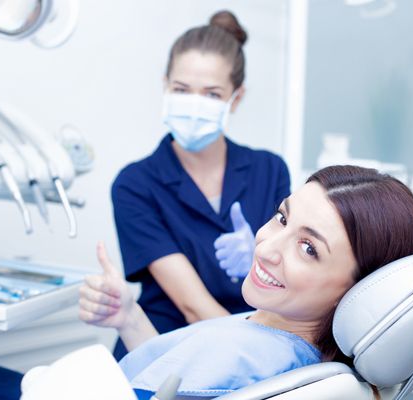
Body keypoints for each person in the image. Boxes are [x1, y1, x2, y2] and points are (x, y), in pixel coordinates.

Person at [79, 165, 413, 399]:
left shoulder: (245, 355)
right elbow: (178, 380)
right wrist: (129, 318)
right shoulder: (275, 338)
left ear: (359, 291)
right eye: (283, 218)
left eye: (308, 248)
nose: (266, 247)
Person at [110, 10, 290, 359]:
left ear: (235, 99)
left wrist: (258, 257)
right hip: (164, 348)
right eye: (181, 90)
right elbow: (192, 306)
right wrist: (254, 360)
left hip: (255, 338)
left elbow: (291, 283)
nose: (194, 104)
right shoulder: (135, 184)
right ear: (165, 87)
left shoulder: (270, 170)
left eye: (211, 94)